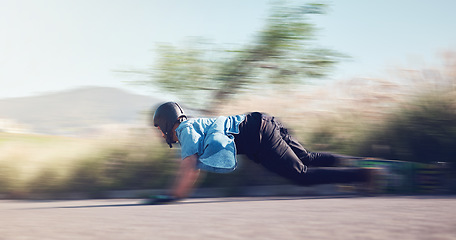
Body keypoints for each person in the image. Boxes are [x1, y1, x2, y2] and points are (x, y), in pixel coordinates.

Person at [145, 102, 380, 204]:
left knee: (302, 175)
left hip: (260, 136)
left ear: (166, 124)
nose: (158, 133)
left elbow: (188, 168)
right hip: (262, 121)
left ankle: (363, 176)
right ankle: (360, 163)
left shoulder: (185, 130)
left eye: (158, 128)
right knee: (306, 157)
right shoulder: (194, 124)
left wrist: (173, 196)